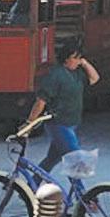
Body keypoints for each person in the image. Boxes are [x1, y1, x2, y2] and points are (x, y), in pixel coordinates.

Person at [26, 42, 99, 173]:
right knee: (76, 160)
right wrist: (30, 123)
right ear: (66, 59)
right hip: (59, 124)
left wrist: (85, 63)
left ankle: (33, 182)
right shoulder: (56, 75)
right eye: (75, 58)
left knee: (51, 159)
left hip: (72, 123)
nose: (78, 61)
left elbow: (95, 78)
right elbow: (41, 101)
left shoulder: (77, 74)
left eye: (79, 58)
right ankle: (79, 186)